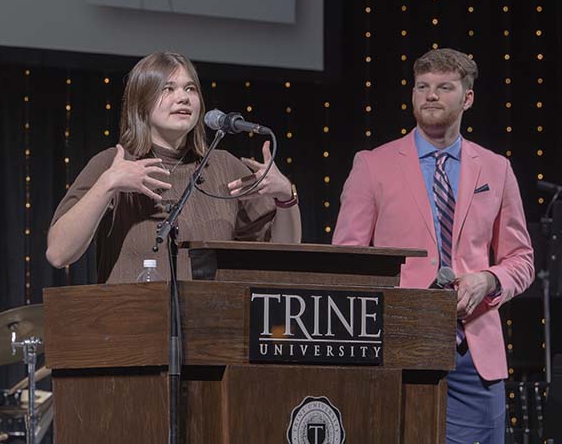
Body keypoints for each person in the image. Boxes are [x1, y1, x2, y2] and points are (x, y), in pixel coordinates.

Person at [332, 48, 534, 443]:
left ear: (467, 98)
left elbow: (521, 258)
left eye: (444, 87)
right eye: (422, 87)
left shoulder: (496, 168)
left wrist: (488, 280)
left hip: (471, 351)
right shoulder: (374, 164)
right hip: (396, 345)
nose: (430, 95)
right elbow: (347, 262)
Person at [46, 51, 301, 283]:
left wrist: (285, 197)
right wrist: (108, 184)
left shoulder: (224, 166)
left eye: (190, 89)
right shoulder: (113, 164)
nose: (183, 98)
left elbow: (281, 258)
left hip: (211, 326)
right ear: (141, 102)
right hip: (130, 327)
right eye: (168, 89)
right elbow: (59, 254)